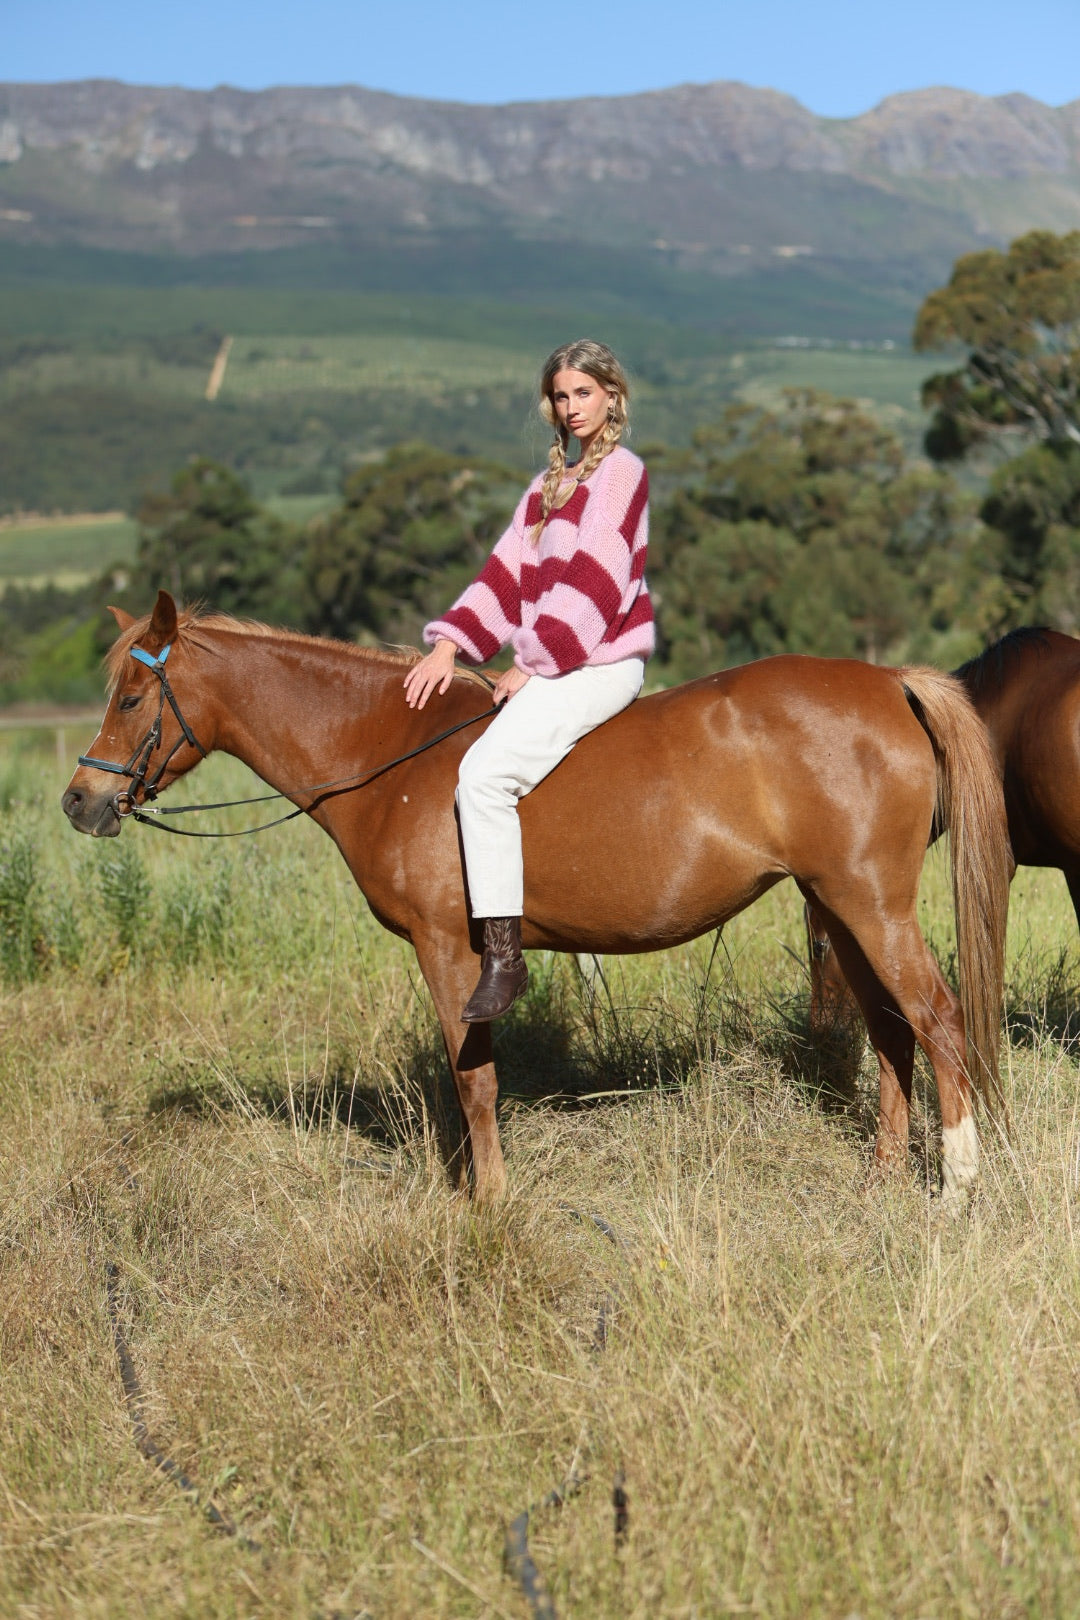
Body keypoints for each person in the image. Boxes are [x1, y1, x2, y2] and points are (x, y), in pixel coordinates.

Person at [403, 338, 655, 1021]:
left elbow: (594, 585)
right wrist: (450, 645)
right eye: (561, 396)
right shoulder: (544, 490)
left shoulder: (621, 474)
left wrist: (529, 663)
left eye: (584, 393)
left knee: (482, 778)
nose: (572, 408)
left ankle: (504, 961)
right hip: (556, 661)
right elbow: (505, 576)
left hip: (600, 662)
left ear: (612, 397)